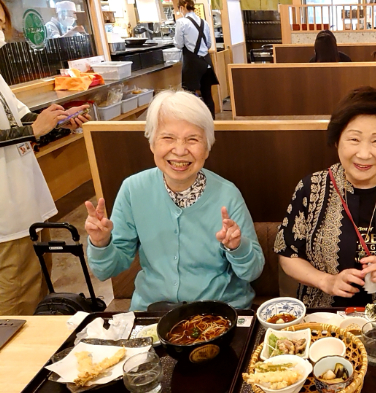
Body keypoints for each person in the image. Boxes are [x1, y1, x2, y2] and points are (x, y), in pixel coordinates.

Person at [84, 90, 264, 311]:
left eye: (193, 139)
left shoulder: (227, 194)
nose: (179, 151)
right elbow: (106, 270)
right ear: (152, 144)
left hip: (219, 312)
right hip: (153, 314)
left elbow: (252, 270)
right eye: (168, 138)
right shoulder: (134, 189)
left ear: (207, 148)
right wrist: (101, 243)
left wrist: (237, 247)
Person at [274, 86, 376, 308]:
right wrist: (326, 281)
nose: (363, 153)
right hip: (325, 313)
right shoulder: (311, 188)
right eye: (354, 139)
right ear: (336, 141)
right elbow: (288, 254)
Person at [0, 0, 90, 314]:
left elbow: (19, 122)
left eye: (1, 24)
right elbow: (26, 131)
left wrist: (57, 119)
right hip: (5, 216)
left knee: (41, 287)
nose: (0, 32)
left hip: (27, 201)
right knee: (16, 304)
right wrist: (35, 130)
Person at [174, 0, 219, 118]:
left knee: (190, 95)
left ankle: (194, 122)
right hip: (206, 62)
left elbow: (178, 44)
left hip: (192, 64)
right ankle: (212, 124)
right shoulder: (204, 22)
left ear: (182, 7)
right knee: (208, 96)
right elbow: (209, 44)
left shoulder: (181, 22)